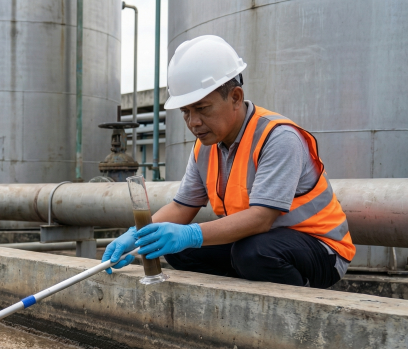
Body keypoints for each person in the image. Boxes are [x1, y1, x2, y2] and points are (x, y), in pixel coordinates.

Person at [103, 35, 354, 289]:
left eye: (202, 108)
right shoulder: (205, 146)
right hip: (256, 241)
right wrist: (136, 236)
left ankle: (300, 306)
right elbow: (181, 209)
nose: (193, 123)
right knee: (178, 250)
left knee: (251, 254)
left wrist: (191, 234)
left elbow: (260, 219)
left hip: (319, 248)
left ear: (235, 97)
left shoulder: (278, 137)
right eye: (186, 112)